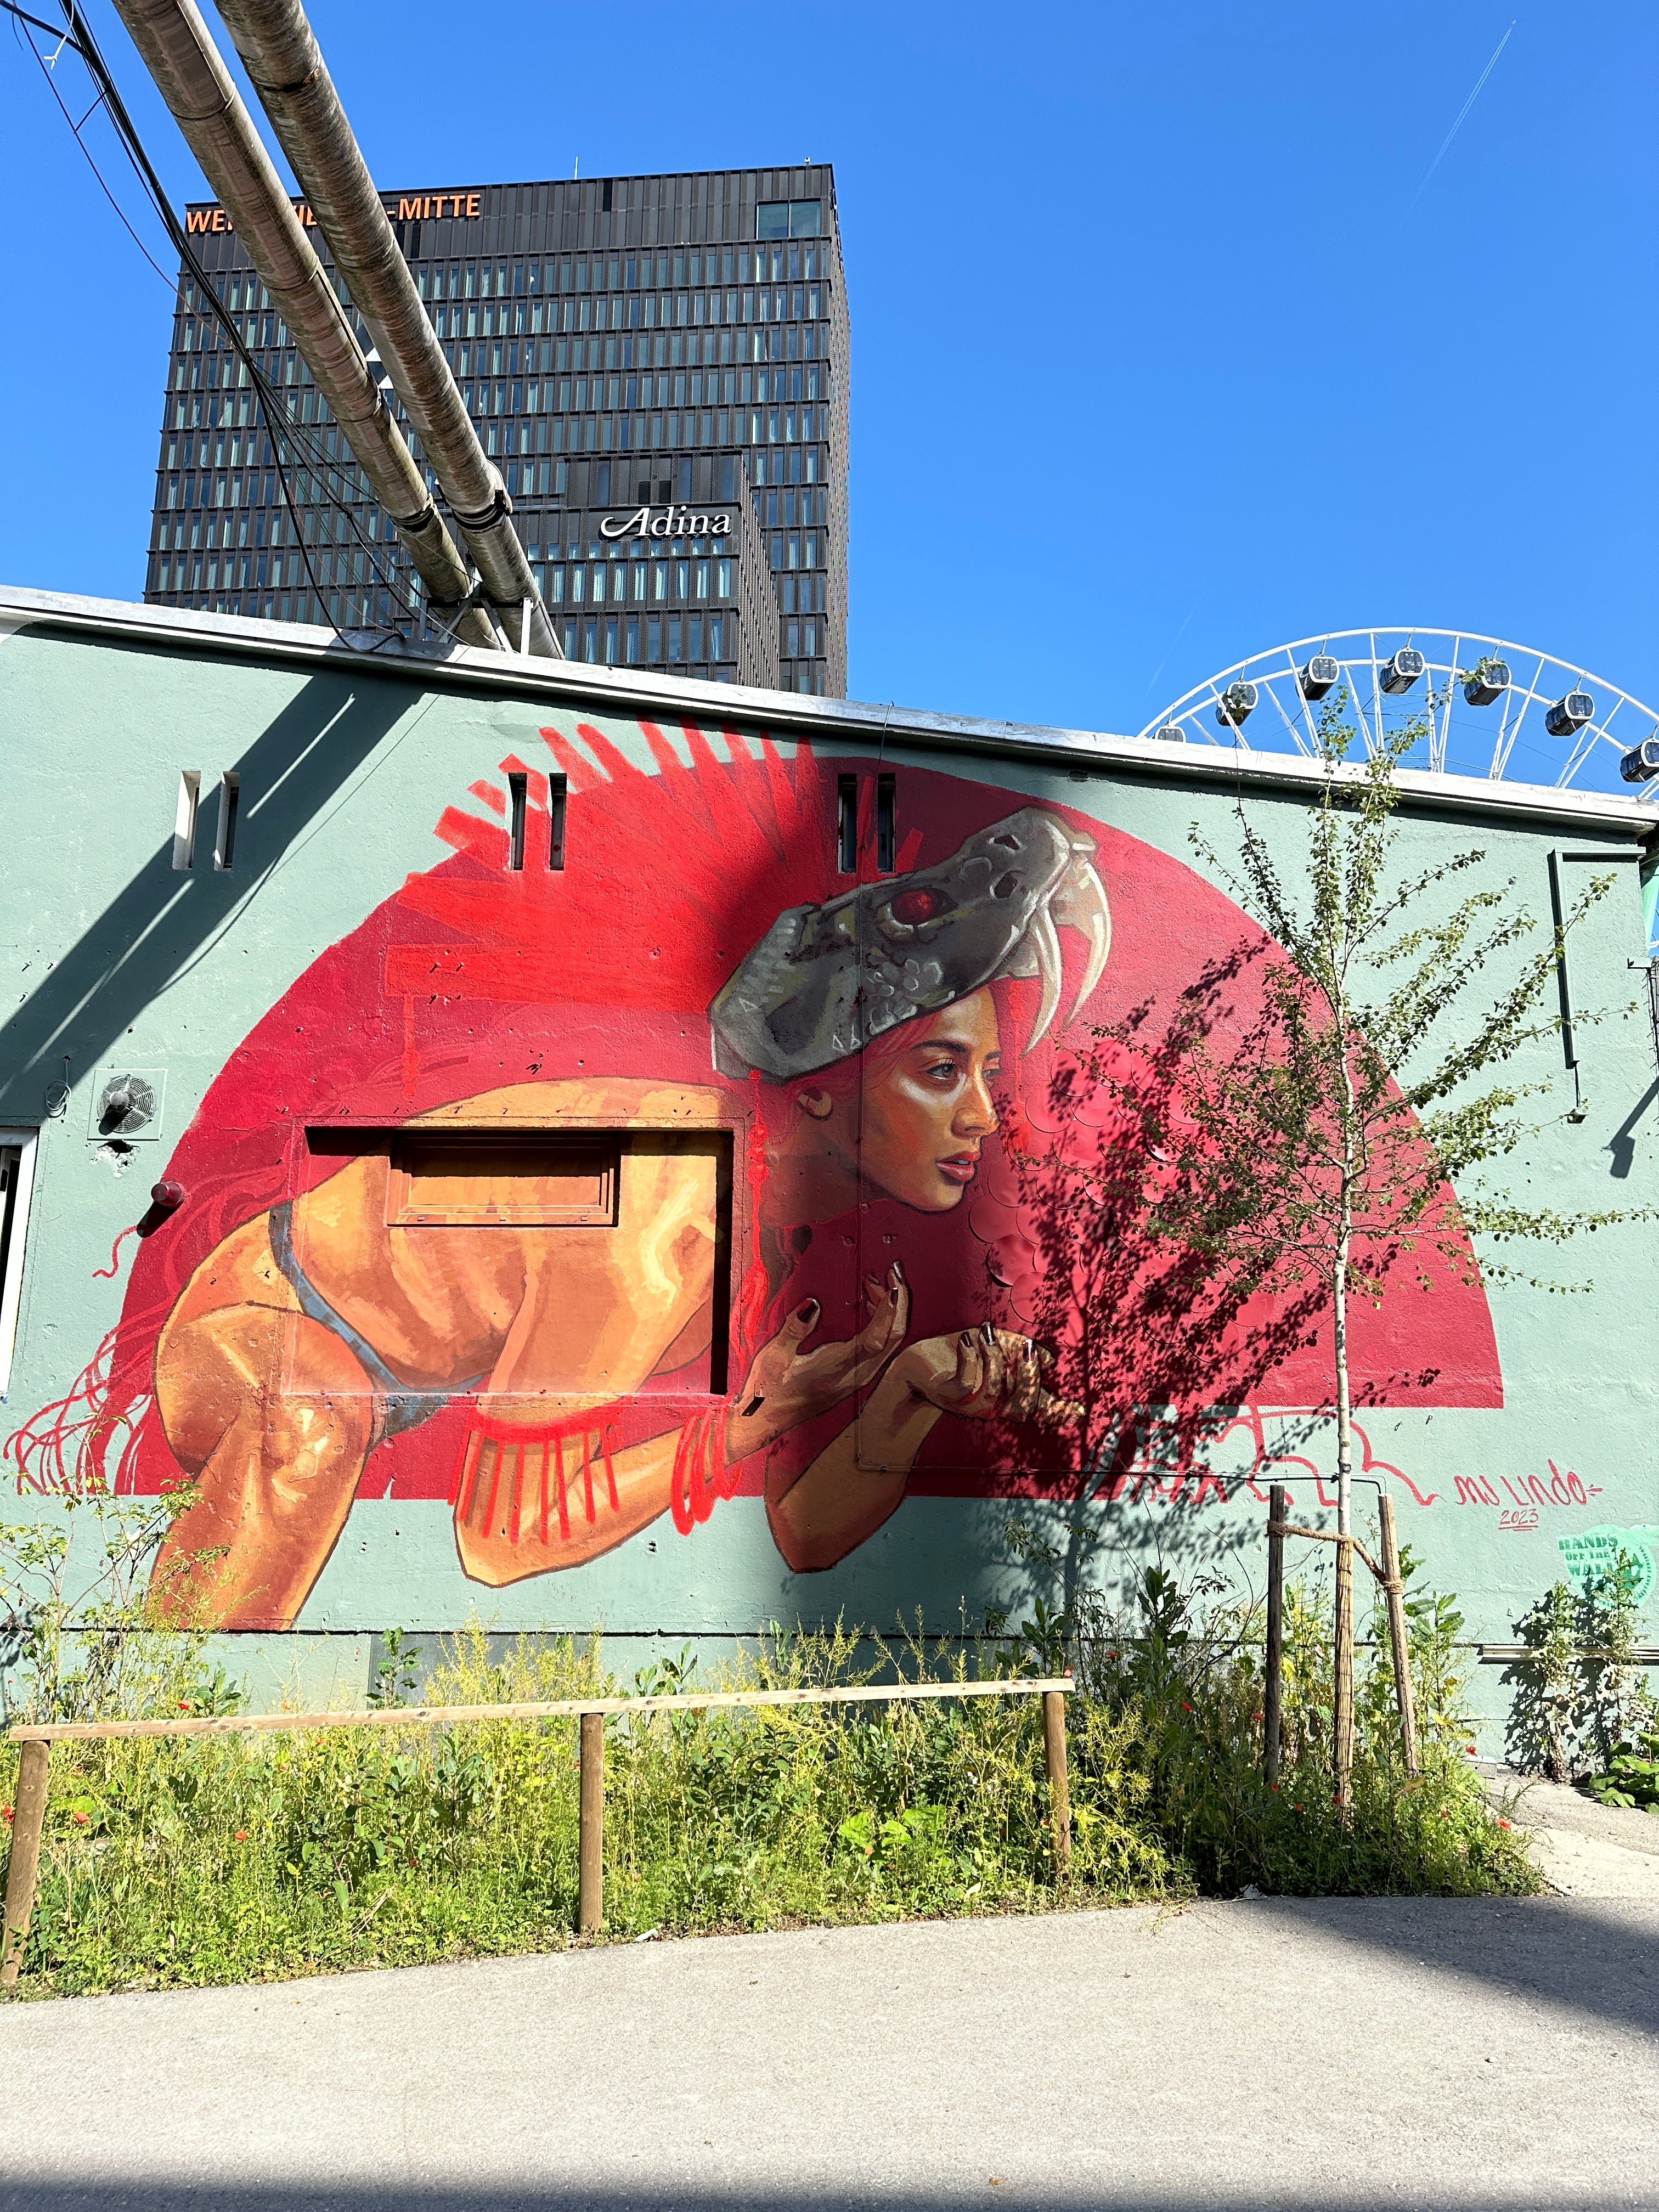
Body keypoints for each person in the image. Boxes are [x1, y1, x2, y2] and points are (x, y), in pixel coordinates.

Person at [146, 807, 1109, 1628]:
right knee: (313, 1415)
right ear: (819, 1092)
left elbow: (803, 1536)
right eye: (941, 1072)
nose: (984, 1115)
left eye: (986, 1072)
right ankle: (138, 1766)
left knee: (332, 1412)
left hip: (392, 1381)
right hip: (264, 1331)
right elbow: (501, 1540)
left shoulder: (777, 1226)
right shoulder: (659, 1218)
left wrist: (906, 1392)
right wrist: (737, 1430)